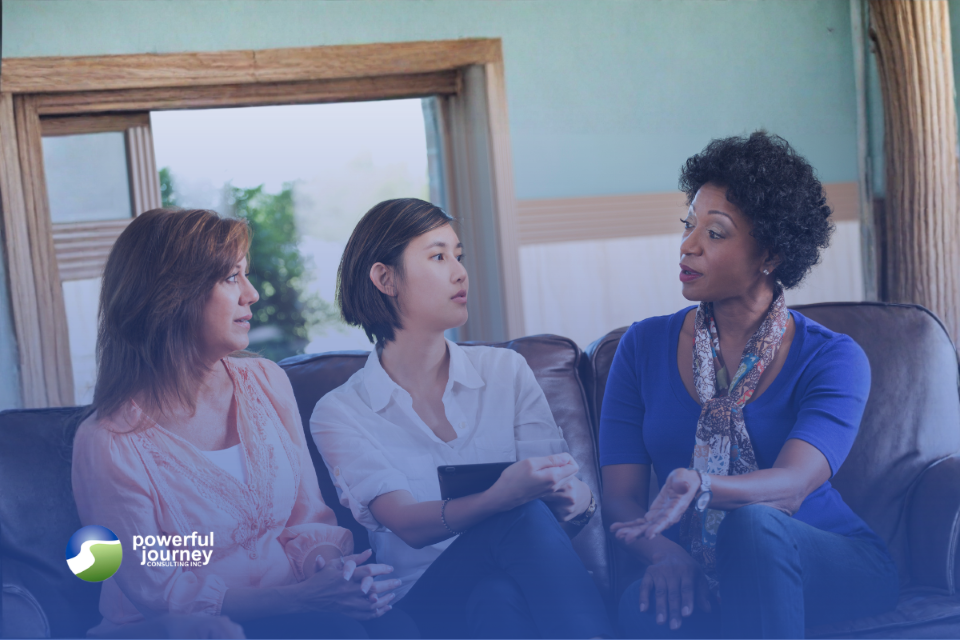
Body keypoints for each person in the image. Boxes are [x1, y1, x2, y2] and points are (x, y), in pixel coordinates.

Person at [599, 132, 900, 639]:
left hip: (826, 556)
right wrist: (665, 554)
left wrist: (704, 486)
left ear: (771, 254)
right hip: (704, 564)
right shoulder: (641, 347)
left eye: (715, 233)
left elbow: (792, 486)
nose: (688, 245)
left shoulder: (833, 358)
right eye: (689, 225)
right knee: (641, 607)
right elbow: (621, 498)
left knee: (754, 525)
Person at [72, 208, 415, 639]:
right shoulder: (108, 442)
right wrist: (305, 599)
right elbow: (161, 591)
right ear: (171, 296)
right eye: (232, 277)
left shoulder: (267, 381)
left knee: (397, 627)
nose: (251, 294)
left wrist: (336, 579)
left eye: (245, 275)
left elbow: (308, 517)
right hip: (186, 631)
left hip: (299, 610)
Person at [310, 198, 613, 639]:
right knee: (519, 517)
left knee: (497, 594)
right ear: (385, 278)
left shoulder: (506, 371)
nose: (459, 272)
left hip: (511, 584)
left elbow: (565, 489)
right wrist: (502, 497)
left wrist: (575, 498)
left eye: (459, 256)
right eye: (438, 257)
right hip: (425, 603)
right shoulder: (340, 411)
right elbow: (407, 523)